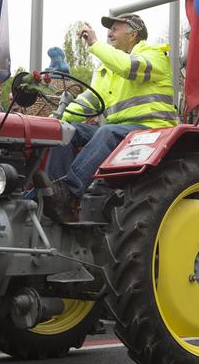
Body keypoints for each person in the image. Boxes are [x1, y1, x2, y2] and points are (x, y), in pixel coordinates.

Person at [44, 12, 177, 220]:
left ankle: (70, 191)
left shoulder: (154, 55)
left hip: (153, 130)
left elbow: (127, 66)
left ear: (133, 34)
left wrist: (95, 44)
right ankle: (53, 195)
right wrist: (54, 120)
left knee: (107, 132)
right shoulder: (109, 70)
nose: (109, 33)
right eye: (109, 29)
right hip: (123, 132)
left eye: (115, 28)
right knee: (65, 131)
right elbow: (88, 102)